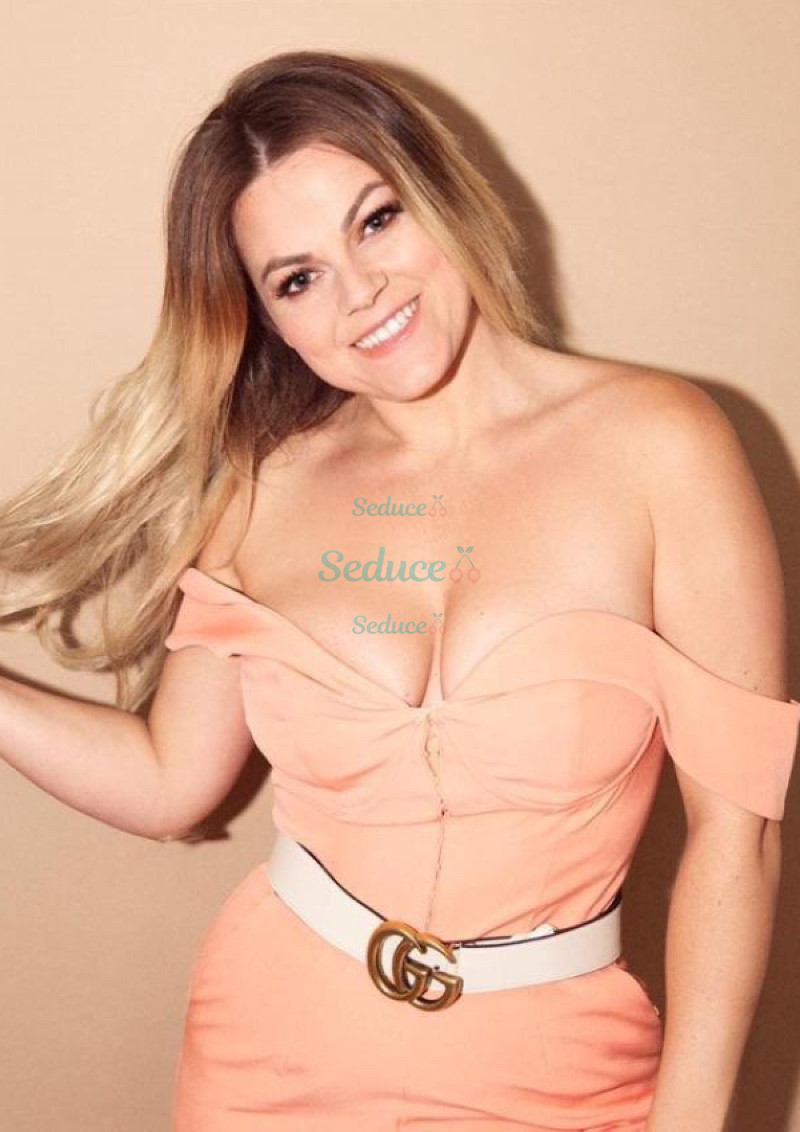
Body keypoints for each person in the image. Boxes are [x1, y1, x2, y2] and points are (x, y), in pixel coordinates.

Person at [1, 48, 798, 1132]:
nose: (360, 290)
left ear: (440, 193)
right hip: (267, 1053)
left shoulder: (662, 448)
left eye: (375, 221)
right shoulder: (260, 486)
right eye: (297, 278)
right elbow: (168, 781)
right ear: (267, 318)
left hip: (561, 1070)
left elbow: (738, 839)